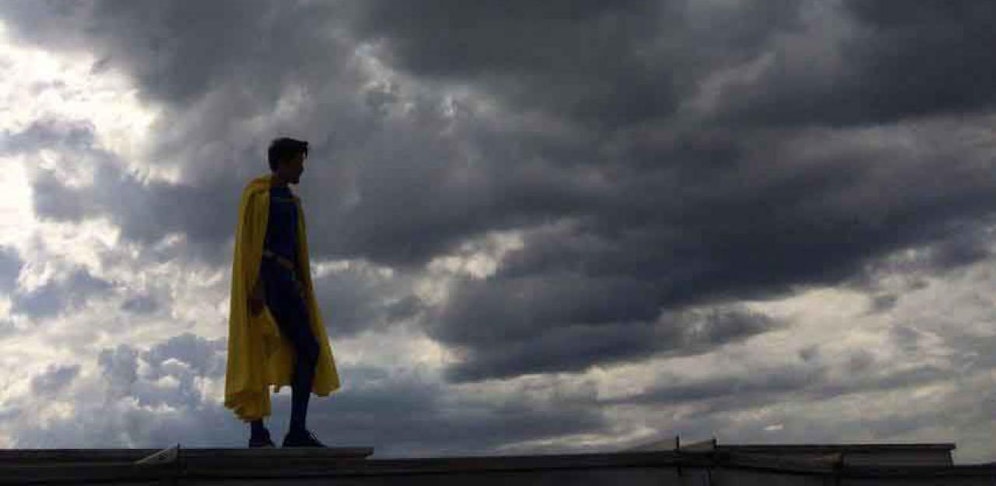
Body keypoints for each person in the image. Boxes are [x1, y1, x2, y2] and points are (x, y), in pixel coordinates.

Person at [224, 137, 341, 448]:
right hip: (269, 279)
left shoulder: (290, 199)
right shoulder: (259, 195)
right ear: (284, 162)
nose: (302, 169)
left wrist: (300, 282)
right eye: (298, 162)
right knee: (264, 347)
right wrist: (257, 285)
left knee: (307, 349)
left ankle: (291, 431)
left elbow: (295, 246)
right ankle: (265, 432)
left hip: (287, 280)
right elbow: (252, 244)